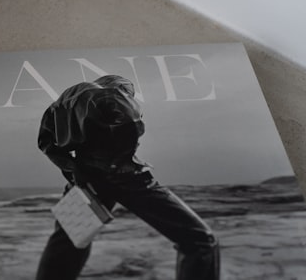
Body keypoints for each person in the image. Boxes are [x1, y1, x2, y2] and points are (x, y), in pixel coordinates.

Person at [34, 75, 219, 279]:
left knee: (69, 244)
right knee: (200, 240)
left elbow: (46, 142)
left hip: (85, 175)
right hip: (125, 175)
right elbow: (133, 124)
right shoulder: (114, 94)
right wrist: (121, 161)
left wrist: (74, 169)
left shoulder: (63, 101)